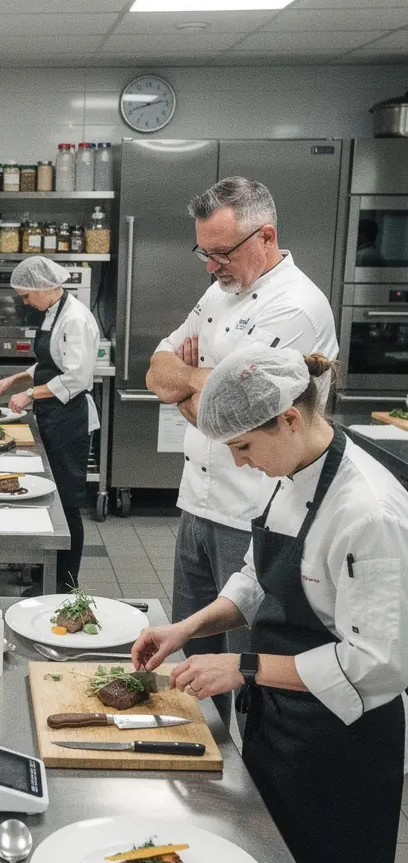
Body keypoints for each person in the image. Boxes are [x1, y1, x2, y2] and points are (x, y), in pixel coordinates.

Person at [132, 344, 408, 863]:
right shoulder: (291, 471)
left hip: (340, 745)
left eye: (244, 448)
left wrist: (244, 665)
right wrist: (189, 628)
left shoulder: (370, 511)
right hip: (281, 721)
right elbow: (259, 580)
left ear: (289, 418)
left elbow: (379, 666)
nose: (240, 462)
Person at [146, 177, 338, 726]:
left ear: (267, 235)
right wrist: (196, 381)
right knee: (194, 656)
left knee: (245, 663)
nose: (210, 266)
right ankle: (201, 761)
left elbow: (236, 417)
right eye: (203, 252)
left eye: (221, 252)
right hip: (198, 503)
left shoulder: (296, 306)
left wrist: (198, 385)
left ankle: (247, 787)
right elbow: (158, 371)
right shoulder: (220, 291)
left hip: (257, 506)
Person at [0, 256, 100, 593]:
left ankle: (66, 584)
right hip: (52, 416)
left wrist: (29, 395)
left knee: (67, 503)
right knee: (49, 499)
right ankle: (47, 575)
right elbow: (50, 361)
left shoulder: (76, 319)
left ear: (43, 286)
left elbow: (77, 377)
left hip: (69, 420)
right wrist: (16, 377)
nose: (25, 302)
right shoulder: (54, 312)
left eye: (26, 295)